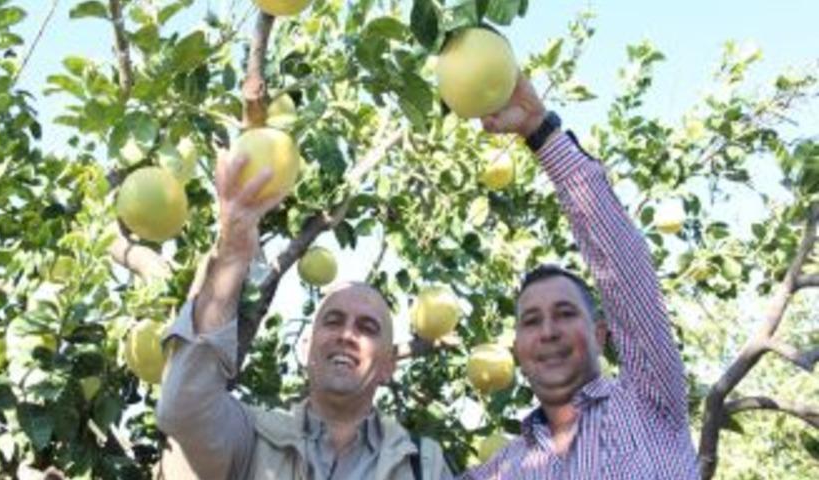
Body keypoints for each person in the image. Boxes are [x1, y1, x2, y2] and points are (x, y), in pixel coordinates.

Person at [155, 149, 454, 479]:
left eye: (367, 328)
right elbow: (182, 409)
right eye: (333, 320)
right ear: (305, 347)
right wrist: (231, 255)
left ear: (388, 367)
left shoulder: (422, 464)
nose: (347, 335)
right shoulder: (252, 436)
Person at [460, 74, 700, 478]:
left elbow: (626, 271)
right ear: (518, 349)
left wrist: (540, 132)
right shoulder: (502, 470)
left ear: (601, 333)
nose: (549, 331)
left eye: (566, 313)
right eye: (532, 321)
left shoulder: (648, 404)